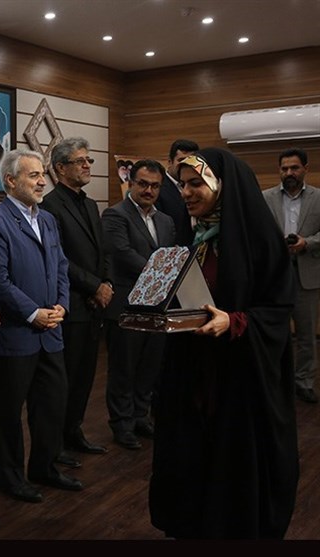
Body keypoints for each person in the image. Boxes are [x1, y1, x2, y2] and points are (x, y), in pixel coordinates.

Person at [150, 148, 299, 539]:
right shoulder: (193, 237)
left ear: (222, 186)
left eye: (195, 184)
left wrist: (233, 321)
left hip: (240, 377)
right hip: (192, 371)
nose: (185, 193)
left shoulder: (260, 240)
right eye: (182, 184)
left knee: (232, 461)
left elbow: (277, 309)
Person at [0, 149, 79, 504]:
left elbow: (62, 266)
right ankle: (11, 479)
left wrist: (62, 305)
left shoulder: (48, 219)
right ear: (10, 180)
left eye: (42, 175)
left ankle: (45, 468)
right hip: (16, 335)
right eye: (33, 175)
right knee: (8, 414)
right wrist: (32, 313)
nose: (42, 182)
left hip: (51, 331)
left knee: (51, 406)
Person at [40, 137, 110, 460]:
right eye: (80, 161)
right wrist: (94, 286)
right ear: (60, 168)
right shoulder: (50, 206)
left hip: (95, 304)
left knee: (84, 377)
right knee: (64, 380)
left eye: (88, 160)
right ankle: (55, 443)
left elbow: (102, 251)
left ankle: (74, 431)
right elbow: (60, 260)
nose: (87, 165)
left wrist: (105, 284)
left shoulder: (91, 204)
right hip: (70, 304)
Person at [101, 160, 176, 450]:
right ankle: (121, 424)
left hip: (157, 306)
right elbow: (122, 253)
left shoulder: (166, 221)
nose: (149, 190)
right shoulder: (115, 215)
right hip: (127, 304)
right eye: (143, 184)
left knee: (149, 366)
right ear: (130, 183)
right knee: (124, 368)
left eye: (155, 186)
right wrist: (161, 274)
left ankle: (140, 417)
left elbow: (170, 256)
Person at [263, 148, 319, 404]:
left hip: (307, 275)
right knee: (275, 333)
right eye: (284, 168)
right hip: (274, 277)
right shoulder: (265, 198)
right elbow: (257, 232)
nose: (289, 173)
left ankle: (303, 382)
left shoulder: (318, 198)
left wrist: (307, 242)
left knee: (306, 336)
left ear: (305, 169)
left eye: (294, 168)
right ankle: (277, 382)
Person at [157, 139, 199, 246]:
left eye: (191, 161)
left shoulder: (199, 187)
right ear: (170, 162)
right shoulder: (157, 188)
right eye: (181, 160)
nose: (186, 164)